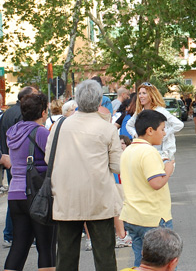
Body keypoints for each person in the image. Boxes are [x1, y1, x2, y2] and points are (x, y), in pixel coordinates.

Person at [45, 79, 121, 270]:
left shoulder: (60, 127)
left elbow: (49, 159)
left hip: (66, 197)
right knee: (105, 256)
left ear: (77, 100)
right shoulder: (108, 128)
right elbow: (117, 166)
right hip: (99, 198)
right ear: (99, 102)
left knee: (66, 256)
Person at [4, 93, 56, 271]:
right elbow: (54, 159)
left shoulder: (13, 132)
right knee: (46, 247)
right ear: (43, 112)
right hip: (36, 193)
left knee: (19, 246)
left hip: (15, 194)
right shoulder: (40, 132)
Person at [120, 110, 175, 269]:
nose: (164, 133)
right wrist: (168, 169)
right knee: (163, 264)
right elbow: (156, 182)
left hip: (132, 216)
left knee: (141, 263)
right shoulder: (149, 152)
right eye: (162, 129)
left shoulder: (128, 150)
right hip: (152, 217)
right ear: (150, 130)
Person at [0, 86, 38, 248]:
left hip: (9, 159)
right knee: (26, 198)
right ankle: (18, 234)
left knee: (14, 199)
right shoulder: (22, 115)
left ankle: (9, 234)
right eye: (35, 96)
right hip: (21, 162)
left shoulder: (7, 113)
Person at [126, 82, 183, 161]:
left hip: (163, 154)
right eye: (139, 93)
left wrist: (164, 135)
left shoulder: (160, 111)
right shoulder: (139, 112)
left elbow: (179, 124)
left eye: (144, 93)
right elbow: (129, 125)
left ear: (151, 95)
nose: (141, 96)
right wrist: (137, 136)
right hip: (146, 152)